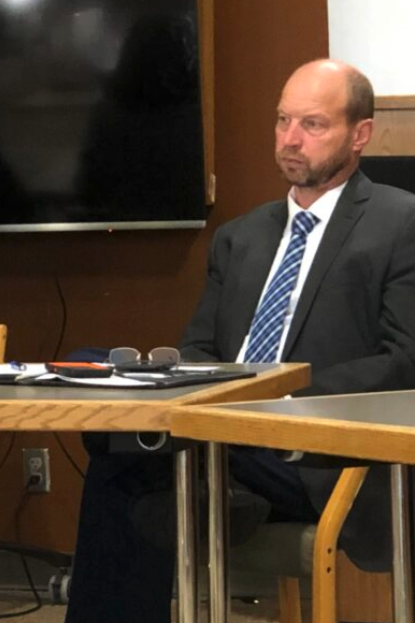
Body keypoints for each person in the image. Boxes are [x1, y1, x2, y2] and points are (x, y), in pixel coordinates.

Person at [65, 59, 415, 622]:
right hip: (221, 435)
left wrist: (273, 392)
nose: (290, 140)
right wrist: (210, 394)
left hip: (315, 456)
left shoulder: (400, 224)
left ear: (361, 134)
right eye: (282, 121)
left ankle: (153, 441)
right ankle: (156, 441)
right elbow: (201, 352)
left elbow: (403, 364)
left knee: (130, 455)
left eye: (312, 125)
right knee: (103, 394)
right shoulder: (240, 237)